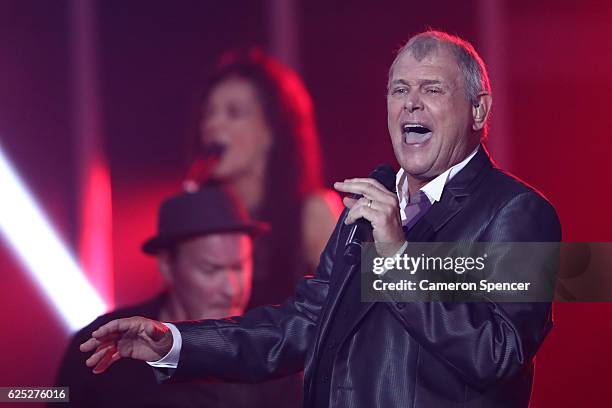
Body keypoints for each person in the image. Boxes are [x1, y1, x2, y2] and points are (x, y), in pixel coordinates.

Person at [80, 31, 561, 407]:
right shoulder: (368, 207)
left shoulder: (518, 213)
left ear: (479, 109)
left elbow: (497, 353)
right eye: (399, 89)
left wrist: (397, 259)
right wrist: (176, 342)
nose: (410, 102)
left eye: (432, 89)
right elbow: (299, 324)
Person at [56, 184, 302, 407]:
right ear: (167, 267)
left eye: (239, 267)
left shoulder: (271, 353)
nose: (232, 289)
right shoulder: (102, 345)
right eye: (211, 269)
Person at [188, 49, 342, 309]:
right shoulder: (203, 217)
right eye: (208, 113)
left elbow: (366, 297)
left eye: (234, 113)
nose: (213, 124)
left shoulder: (311, 212)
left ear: (272, 131)